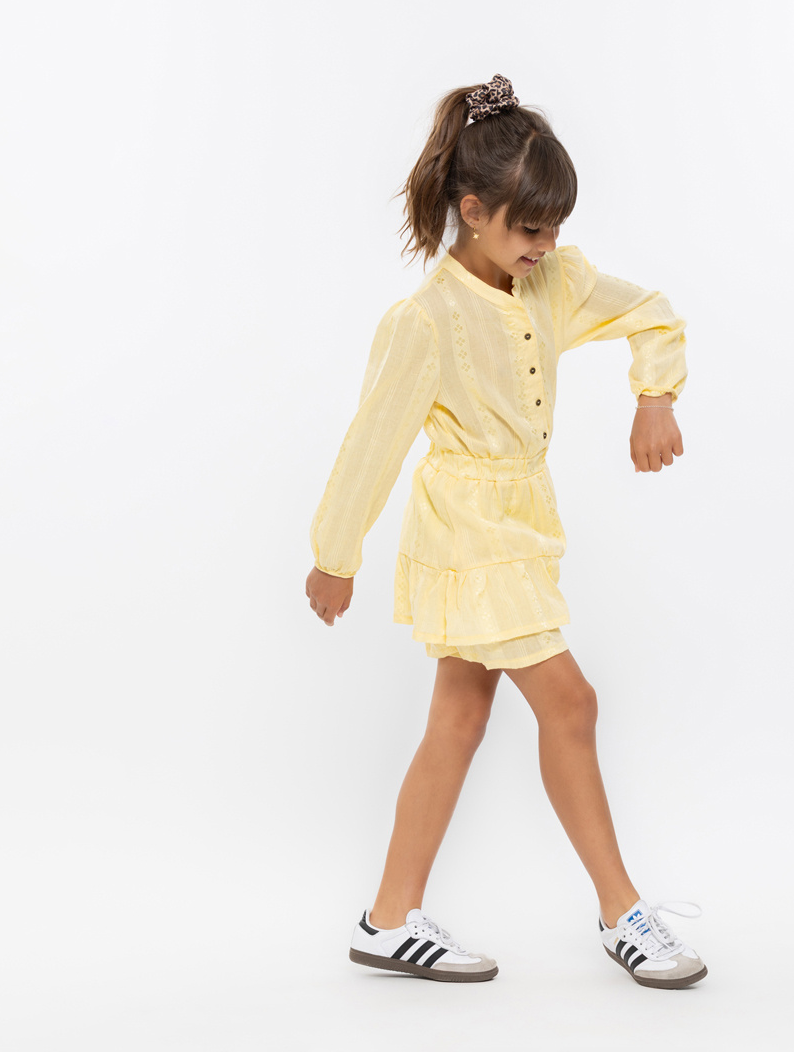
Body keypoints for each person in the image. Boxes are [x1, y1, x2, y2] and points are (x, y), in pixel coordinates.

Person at [305, 75, 707, 989]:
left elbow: (651, 311)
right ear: (473, 211)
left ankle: (387, 918)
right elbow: (373, 441)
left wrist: (654, 395)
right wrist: (336, 555)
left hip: (522, 523)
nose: (546, 246)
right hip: (469, 532)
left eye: (555, 227)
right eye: (530, 229)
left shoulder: (552, 281)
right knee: (572, 704)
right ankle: (623, 912)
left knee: (458, 717)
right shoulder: (426, 321)